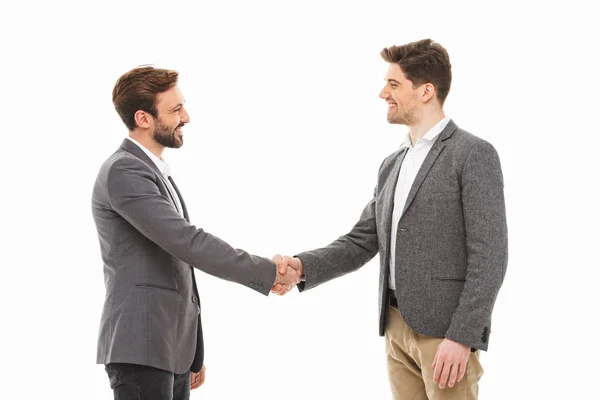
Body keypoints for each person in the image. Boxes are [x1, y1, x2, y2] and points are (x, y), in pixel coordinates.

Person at [273, 39, 508, 400]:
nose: (383, 93)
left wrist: (462, 336)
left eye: (394, 84)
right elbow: (362, 241)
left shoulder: (473, 154)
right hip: (395, 327)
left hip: (445, 335)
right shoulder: (392, 164)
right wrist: (302, 266)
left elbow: (490, 256)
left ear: (426, 91)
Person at [91, 66, 299, 400]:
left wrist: (192, 351)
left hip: (169, 348)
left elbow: (177, 267)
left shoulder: (155, 172)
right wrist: (268, 270)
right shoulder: (124, 170)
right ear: (143, 118)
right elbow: (188, 243)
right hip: (142, 346)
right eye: (175, 110)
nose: (185, 117)